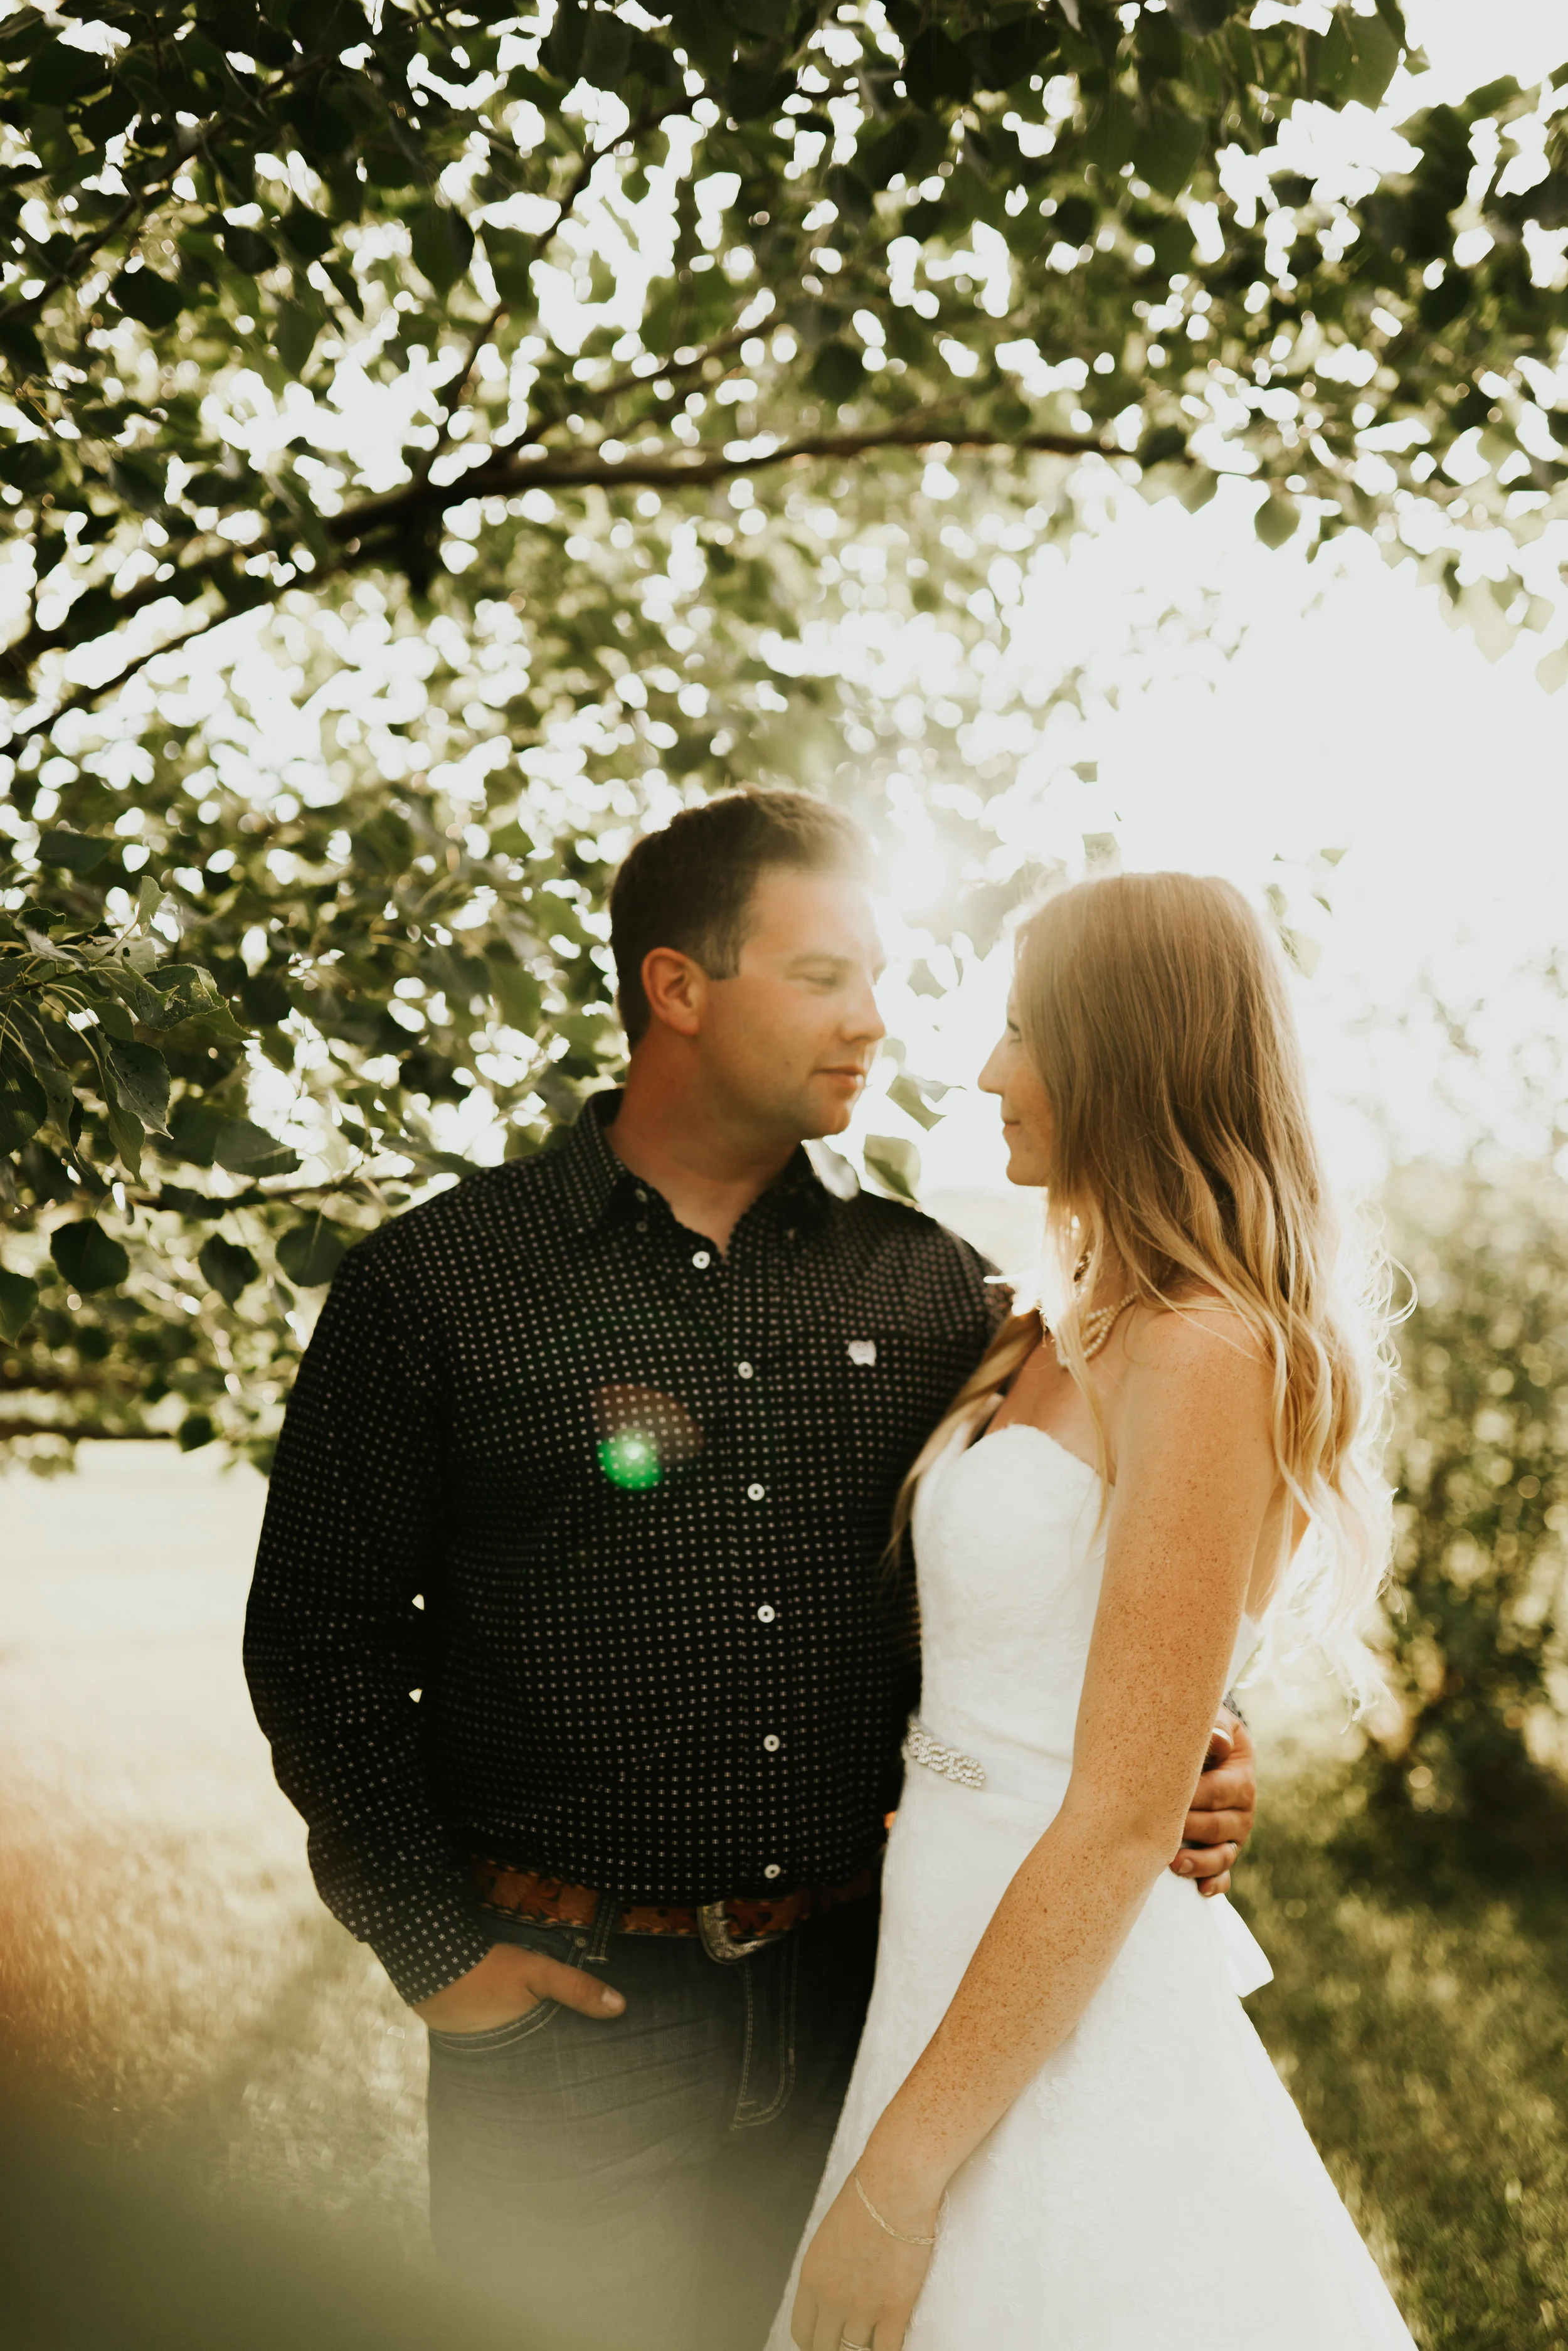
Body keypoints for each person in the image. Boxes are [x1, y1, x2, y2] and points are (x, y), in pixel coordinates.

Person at [243, 795, 1256, 2351]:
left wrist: (1197, 1756)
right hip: (573, 2014)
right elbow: (318, 1642)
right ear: (677, 988)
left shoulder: (929, 1290)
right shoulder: (437, 1288)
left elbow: (1043, 1572)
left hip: (868, 1992)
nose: (875, 1022)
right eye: (825, 975)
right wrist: (442, 1954)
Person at [771, 870, 1414, 2351]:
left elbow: (1125, 1810)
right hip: (940, 1937)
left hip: (1060, 1985)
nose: (989, 1070)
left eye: (1023, 1030)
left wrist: (897, 2186)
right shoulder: (1054, 1320)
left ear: (1132, 1052)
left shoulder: (1203, 1350)